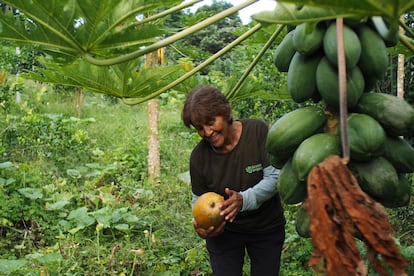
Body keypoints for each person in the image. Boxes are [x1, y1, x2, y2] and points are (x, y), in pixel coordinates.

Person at [182, 85, 286, 276]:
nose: (207, 132)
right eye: (199, 128)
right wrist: (202, 226)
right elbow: (198, 199)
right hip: (224, 233)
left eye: (211, 122)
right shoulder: (199, 157)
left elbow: (275, 176)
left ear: (226, 112)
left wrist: (244, 200)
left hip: (266, 227)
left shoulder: (256, 131)